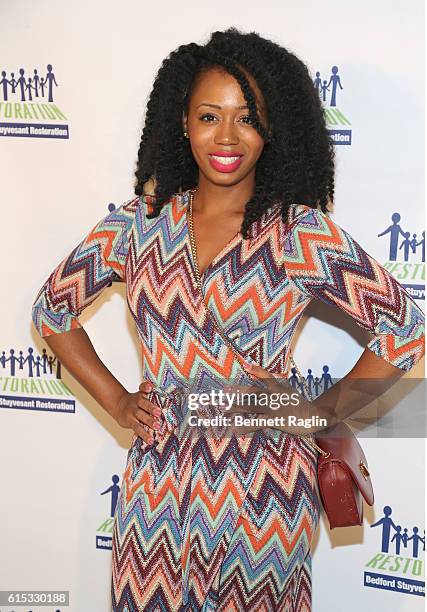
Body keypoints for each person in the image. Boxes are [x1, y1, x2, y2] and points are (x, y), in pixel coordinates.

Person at [31, 28, 425, 612]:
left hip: (265, 486)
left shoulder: (298, 232)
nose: (227, 136)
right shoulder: (138, 224)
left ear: (273, 129)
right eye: (209, 116)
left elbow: (405, 330)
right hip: (157, 483)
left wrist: (319, 413)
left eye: (247, 118)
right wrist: (116, 402)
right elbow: (52, 310)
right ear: (181, 123)